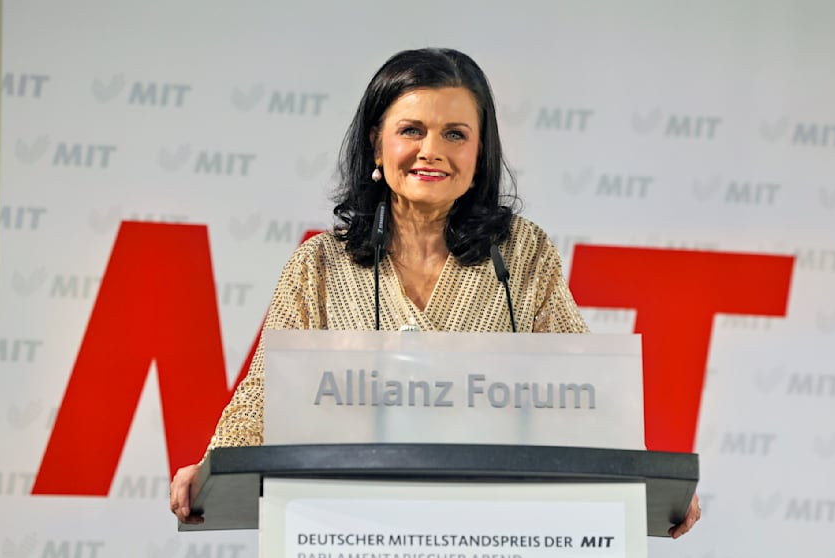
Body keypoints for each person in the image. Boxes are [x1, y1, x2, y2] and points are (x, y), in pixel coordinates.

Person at [169, 47, 700, 538]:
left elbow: (583, 397)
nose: (432, 151)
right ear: (377, 141)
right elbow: (264, 396)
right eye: (412, 130)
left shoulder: (520, 254)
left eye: (454, 134)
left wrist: (650, 483)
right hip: (352, 528)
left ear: (479, 151)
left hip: (492, 532)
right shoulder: (320, 265)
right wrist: (213, 464)